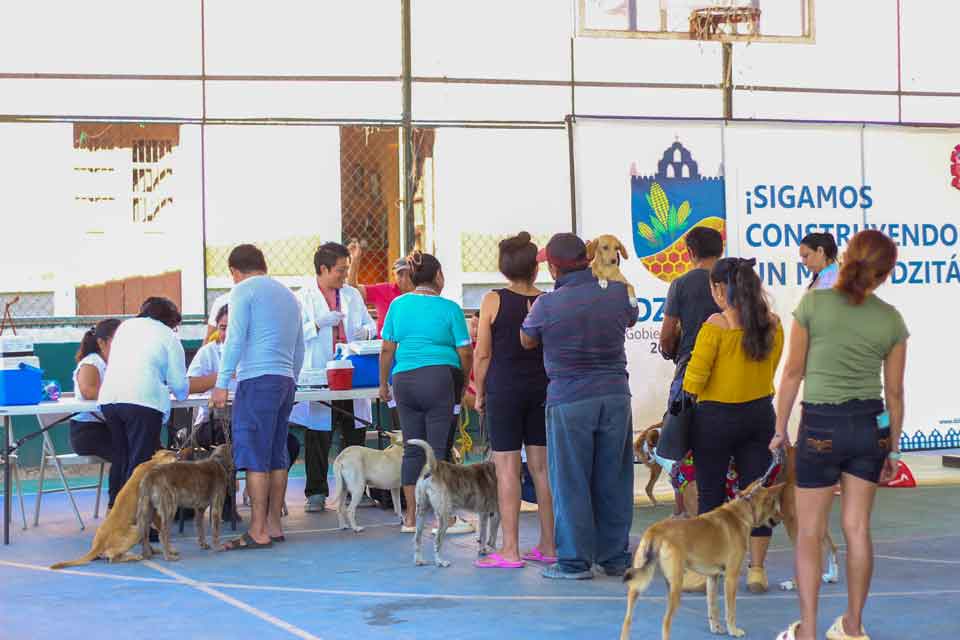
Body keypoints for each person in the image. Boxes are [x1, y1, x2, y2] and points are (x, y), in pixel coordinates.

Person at [772, 230, 907, 640]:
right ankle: (852, 626)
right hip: (869, 426)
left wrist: (780, 428)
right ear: (885, 274)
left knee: (810, 532)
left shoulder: (813, 305)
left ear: (844, 257)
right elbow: (894, 395)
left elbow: (793, 373)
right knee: (856, 528)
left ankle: (808, 631)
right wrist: (891, 447)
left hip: (820, 428)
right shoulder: (891, 320)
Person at [520, 233, 639, 580]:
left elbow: (527, 339)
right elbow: (630, 318)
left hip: (570, 400)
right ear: (587, 260)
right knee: (614, 478)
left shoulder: (546, 304)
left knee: (571, 481)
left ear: (554, 268)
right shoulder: (617, 293)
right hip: (616, 395)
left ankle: (573, 561)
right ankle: (615, 557)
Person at [682, 257, 784, 593]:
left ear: (719, 288)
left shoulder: (715, 325)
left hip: (714, 419)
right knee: (758, 494)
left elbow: (694, 380)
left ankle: (707, 572)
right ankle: (757, 571)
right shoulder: (773, 324)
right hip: (759, 415)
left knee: (710, 494)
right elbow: (771, 370)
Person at [212, 244, 304, 551]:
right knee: (277, 454)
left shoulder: (242, 291)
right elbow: (299, 345)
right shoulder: (289, 295)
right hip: (285, 380)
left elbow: (235, 336)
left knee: (254, 456)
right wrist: (293, 377)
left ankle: (257, 530)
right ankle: (274, 526)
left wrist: (222, 382)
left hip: (257, 379)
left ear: (235, 272)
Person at [473, 232, 556, 569]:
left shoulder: (493, 300)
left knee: (507, 469)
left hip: (504, 392)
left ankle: (510, 549)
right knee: (542, 470)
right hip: (542, 390)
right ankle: (549, 545)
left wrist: (479, 393)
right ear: (535, 270)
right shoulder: (548, 300)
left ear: (504, 268)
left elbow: (482, 354)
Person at [379, 251, 474, 536]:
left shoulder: (398, 305)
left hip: (404, 379)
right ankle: (446, 519)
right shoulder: (450, 308)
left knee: (412, 448)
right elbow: (466, 351)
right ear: (437, 277)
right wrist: (462, 381)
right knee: (439, 451)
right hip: (438, 379)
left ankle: (410, 518)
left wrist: (383, 383)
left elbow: (387, 349)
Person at [187, 304, 301, 520]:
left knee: (289, 444)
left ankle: (265, 498)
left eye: (233, 328)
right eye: (222, 327)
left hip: (253, 420)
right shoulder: (208, 352)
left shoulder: (258, 355)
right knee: (229, 443)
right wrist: (222, 377)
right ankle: (226, 502)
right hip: (213, 423)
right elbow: (188, 385)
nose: (226, 333)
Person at [290, 242, 377, 513]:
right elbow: (294, 335)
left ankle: (357, 491)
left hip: (353, 372)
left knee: (355, 432)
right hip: (319, 372)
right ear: (323, 269)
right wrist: (318, 323)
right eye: (340, 270)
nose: (344, 276)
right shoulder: (302, 297)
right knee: (318, 435)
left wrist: (366, 331)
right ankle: (316, 492)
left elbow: (369, 324)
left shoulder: (351, 294)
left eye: (346, 269)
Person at [657, 226, 724, 518]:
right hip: (731, 377)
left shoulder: (681, 283)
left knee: (678, 445)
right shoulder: (735, 279)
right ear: (720, 249)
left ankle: (683, 512)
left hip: (689, 377)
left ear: (690, 252)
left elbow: (667, 334)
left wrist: (671, 352)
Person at [99, 298, 189, 502]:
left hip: (110, 399)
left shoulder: (125, 328)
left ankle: (115, 514)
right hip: (143, 401)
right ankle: (137, 524)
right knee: (141, 466)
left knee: (120, 459)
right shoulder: (168, 336)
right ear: (171, 322)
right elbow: (180, 387)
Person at [70, 318, 122, 506]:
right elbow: (89, 391)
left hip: (111, 426)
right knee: (123, 453)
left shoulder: (119, 363)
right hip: (88, 431)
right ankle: (116, 507)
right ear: (102, 342)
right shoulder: (91, 363)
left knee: (144, 448)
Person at [346, 240, 414, 336]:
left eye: (409, 274)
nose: (405, 278)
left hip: (409, 345)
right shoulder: (384, 289)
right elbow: (353, 289)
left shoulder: (421, 292)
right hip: (382, 345)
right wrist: (355, 260)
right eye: (400, 274)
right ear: (393, 275)